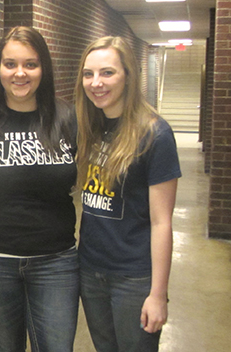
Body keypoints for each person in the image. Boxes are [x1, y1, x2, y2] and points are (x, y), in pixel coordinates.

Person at [0, 26, 79, 351]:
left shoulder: (67, 118)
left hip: (56, 260)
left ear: (44, 69)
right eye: (10, 64)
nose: (20, 73)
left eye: (31, 64)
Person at [75, 36, 181, 352]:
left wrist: (158, 293)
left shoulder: (155, 134)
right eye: (88, 74)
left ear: (128, 76)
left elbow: (162, 222)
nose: (96, 83)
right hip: (91, 271)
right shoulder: (90, 126)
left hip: (134, 278)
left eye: (107, 73)